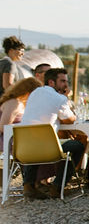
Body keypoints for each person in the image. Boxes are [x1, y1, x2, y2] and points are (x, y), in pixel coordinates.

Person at [20, 68, 84, 199]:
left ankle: (29, 185)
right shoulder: (59, 98)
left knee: (36, 143)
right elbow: (70, 119)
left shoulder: (34, 93)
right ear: (51, 82)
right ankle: (58, 186)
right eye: (62, 81)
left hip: (24, 147)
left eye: (66, 81)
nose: (66, 85)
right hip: (48, 148)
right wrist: (65, 99)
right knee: (77, 146)